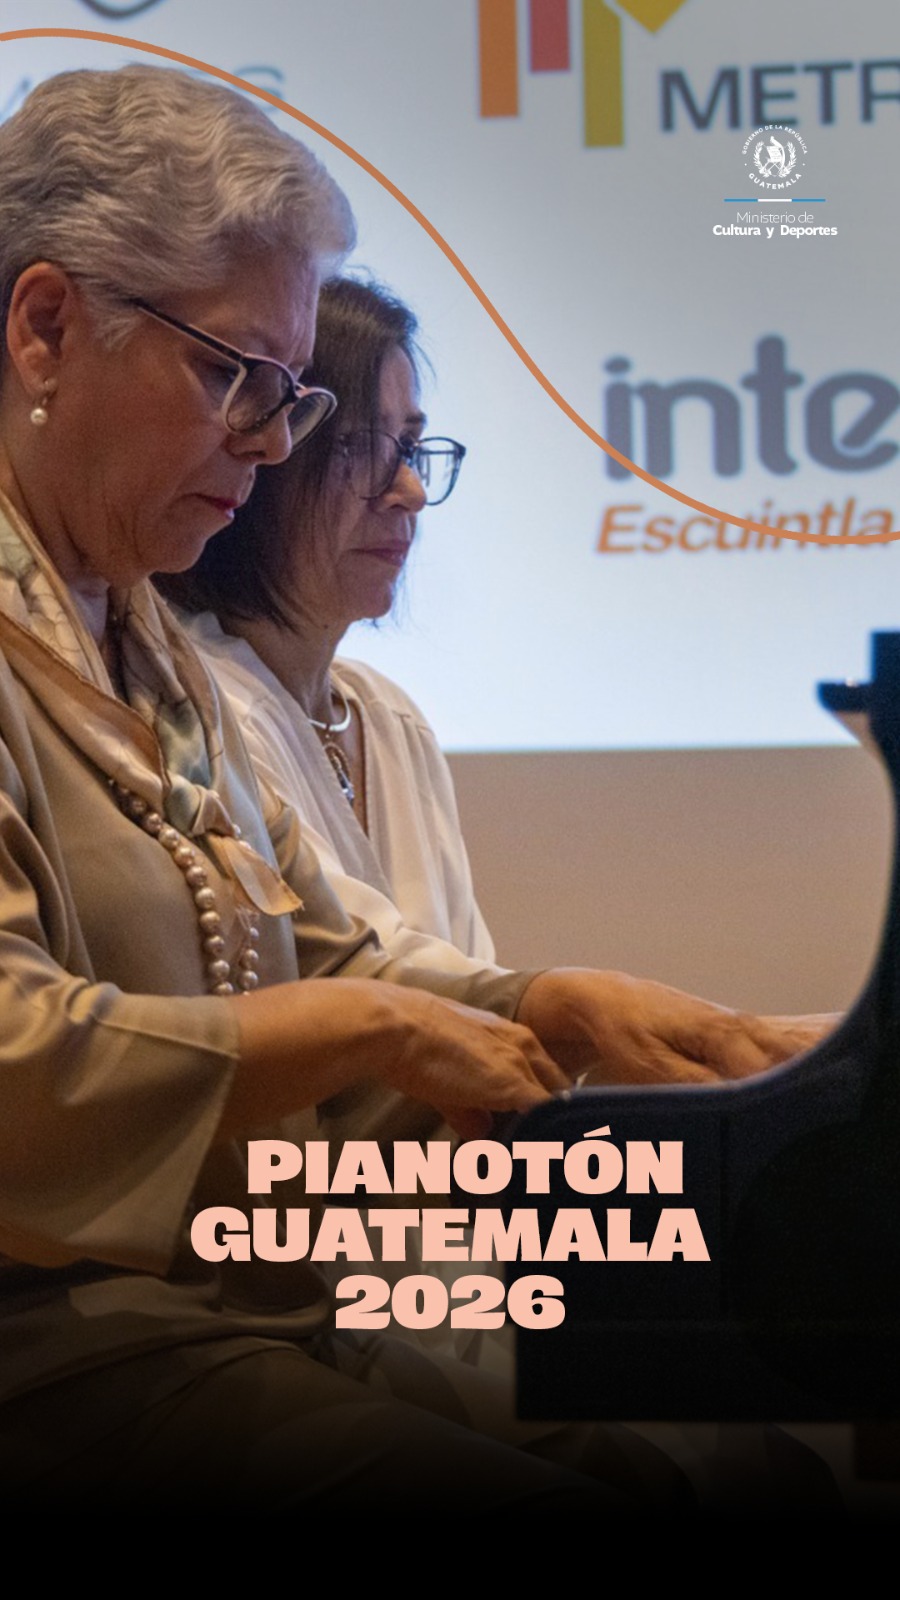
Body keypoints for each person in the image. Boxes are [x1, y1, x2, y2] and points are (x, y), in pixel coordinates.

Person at [0, 65, 818, 1512]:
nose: (270, 442)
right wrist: (377, 1028)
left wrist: (551, 1006)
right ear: (46, 326)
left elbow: (322, 948)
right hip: (64, 1355)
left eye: (291, 395)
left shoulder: (137, 638)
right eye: (235, 377)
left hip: (241, 1317)